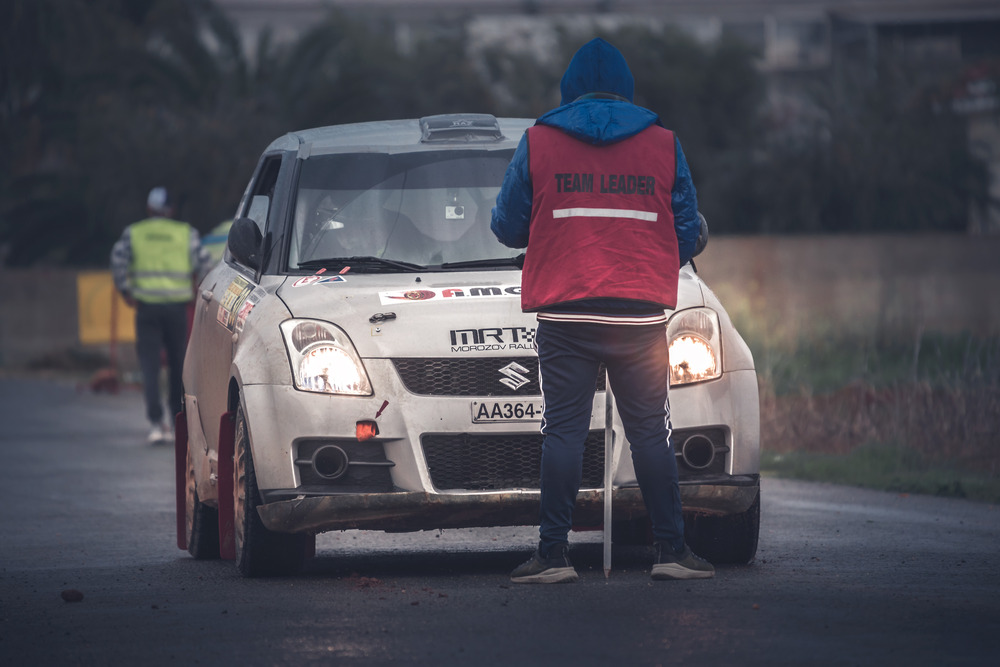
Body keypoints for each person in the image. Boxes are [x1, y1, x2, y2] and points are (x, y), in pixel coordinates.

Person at [491, 38, 714, 583]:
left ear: (568, 89)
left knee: (564, 432)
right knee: (649, 435)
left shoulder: (539, 141)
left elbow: (505, 227)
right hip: (639, 316)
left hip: (565, 314)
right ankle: (671, 552)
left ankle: (552, 556)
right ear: (628, 88)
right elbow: (688, 231)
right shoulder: (663, 143)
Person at [111, 187, 211, 444]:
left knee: (150, 366)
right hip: (177, 309)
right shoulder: (186, 233)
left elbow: (118, 260)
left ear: (149, 209)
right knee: (178, 365)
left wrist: (126, 290)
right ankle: (178, 420)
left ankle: (156, 423)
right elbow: (205, 263)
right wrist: (195, 288)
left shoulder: (134, 233)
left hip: (146, 308)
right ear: (172, 211)